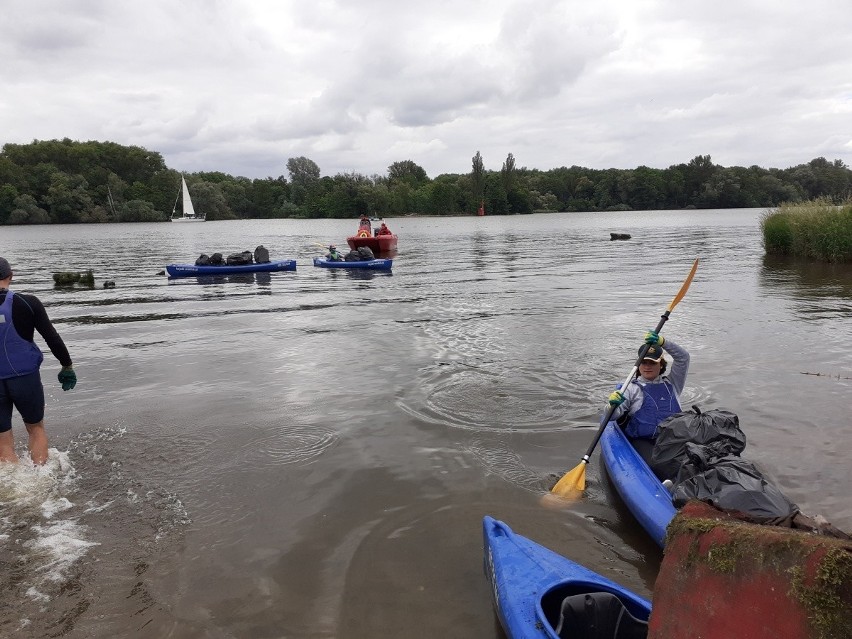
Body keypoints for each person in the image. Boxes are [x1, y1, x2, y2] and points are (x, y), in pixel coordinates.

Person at [0, 257, 76, 465]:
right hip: (25, 378)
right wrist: (66, 365)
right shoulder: (28, 302)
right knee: (35, 428)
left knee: (2, 439)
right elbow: (51, 337)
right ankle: (41, 475)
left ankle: (14, 488)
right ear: (10, 276)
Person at [607, 331, 689, 465]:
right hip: (644, 442)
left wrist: (663, 342)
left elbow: (683, 358)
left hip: (674, 440)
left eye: (652, 362)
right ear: (638, 365)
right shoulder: (630, 388)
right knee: (661, 466)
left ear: (661, 364)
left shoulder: (673, 384)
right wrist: (611, 406)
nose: (647, 366)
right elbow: (612, 416)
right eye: (643, 362)